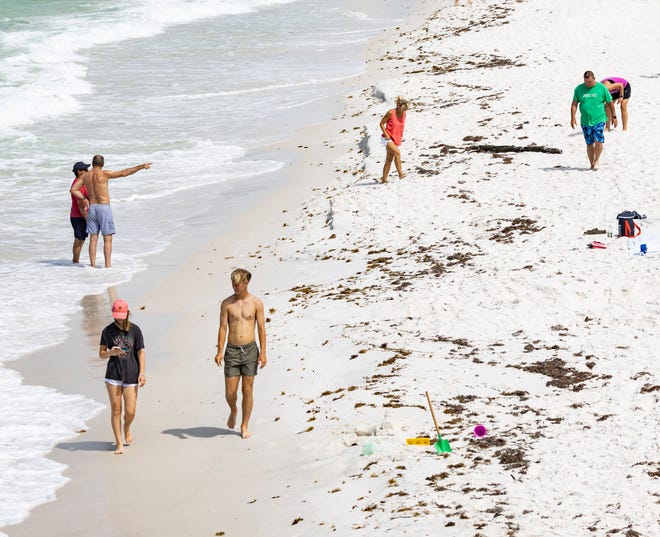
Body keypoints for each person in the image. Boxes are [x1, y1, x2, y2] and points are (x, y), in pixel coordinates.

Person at [70, 154, 152, 268]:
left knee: (93, 238)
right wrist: (141, 166)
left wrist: (84, 198)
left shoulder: (86, 176)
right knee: (107, 238)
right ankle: (108, 266)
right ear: (102, 164)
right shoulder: (104, 174)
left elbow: (73, 189)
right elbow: (124, 173)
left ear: (93, 163)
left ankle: (92, 266)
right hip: (104, 207)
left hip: (92, 208)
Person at [214, 269, 267, 439]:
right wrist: (219, 351)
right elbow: (223, 328)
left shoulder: (256, 303)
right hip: (232, 351)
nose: (235, 287)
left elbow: (261, 329)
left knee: (247, 390)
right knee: (230, 393)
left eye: (238, 284)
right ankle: (233, 410)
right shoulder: (227, 304)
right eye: (233, 284)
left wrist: (263, 353)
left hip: (251, 350)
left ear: (246, 283)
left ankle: (244, 425)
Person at [99, 299, 146, 454]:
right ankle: (119, 443)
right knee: (116, 409)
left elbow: (141, 352)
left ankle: (126, 428)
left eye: (120, 315)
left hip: (132, 374)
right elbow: (101, 354)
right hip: (113, 375)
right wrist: (110, 353)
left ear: (126, 313)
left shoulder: (135, 330)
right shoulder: (107, 331)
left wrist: (142, 373)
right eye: (116, 315)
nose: (118, 318)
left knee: (131, 411)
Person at [570, 71, 616, 171]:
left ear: (594, 78)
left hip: (599, 119)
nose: (588, 84)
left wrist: (614, 116)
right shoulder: (579, 89)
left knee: (598, 140)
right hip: (585, 121)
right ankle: (592, 163)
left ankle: (597, 159)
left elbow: (610, 102)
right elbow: (574, 104)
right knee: (589, 144)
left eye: (590, 82)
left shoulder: (602, 88)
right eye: (586, 82)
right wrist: (573, 118)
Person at [379, 96, 409, 183]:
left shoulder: (404, 114)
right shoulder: (390, 112)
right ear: (398, 106)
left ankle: (384, 179)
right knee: (397, 153)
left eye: (405, 109)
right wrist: (386, 134)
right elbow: (381, 123)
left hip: (395, 139)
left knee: (389, 160)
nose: (403, 111)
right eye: (402, 108)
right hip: (386, 138)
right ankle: (400, 174)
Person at [69, 161, 90, 263]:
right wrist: (88, 219)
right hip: (79, 216)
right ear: (79, 172)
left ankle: (75, 260)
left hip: (80, 215)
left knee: (81, 239)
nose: (88, 171)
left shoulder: (81, 183)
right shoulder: (78, 185)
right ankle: (75, 261)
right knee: (79, 239)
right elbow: (81, 206)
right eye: (85, 169)